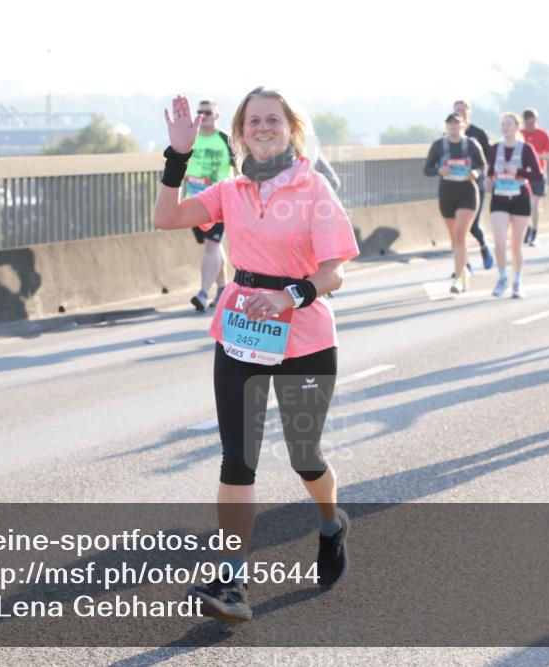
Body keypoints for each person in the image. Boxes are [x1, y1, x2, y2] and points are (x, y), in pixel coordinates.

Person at [153, 87, 359, 623]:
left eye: (273, 119)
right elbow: (167, 217)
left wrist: (290, 296)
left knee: (304, 456)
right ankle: (231, 579)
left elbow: (335, 270)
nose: (263, 128)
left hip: (305, 334)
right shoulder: (232, 190)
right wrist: (178, 154)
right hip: (241, 328)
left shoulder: (314, 189)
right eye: (254, 121)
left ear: (291, 129)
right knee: (237, 457)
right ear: (241, 133)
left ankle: (331, 521)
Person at [423, 113, 487, 293]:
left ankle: (458, 278)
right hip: (447, 193)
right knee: (455, 239)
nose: (453, 127)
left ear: (463, 126)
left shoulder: (471, 145)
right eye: (450, 124)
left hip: (467, 192)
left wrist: (475, 173)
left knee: (460, 235)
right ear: (446, 127)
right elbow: (426, 169)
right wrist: (438, 170)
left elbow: (483, 166)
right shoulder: (439, 146)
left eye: (457, 123)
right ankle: (463, 269)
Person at [185, 100, 236, 311]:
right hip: (194, 200)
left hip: (220, 202)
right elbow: (182, 170)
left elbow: (242, 169)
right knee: (212, 247)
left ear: (216, 115)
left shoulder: (225, 140)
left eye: (208, 112)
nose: (203, 115)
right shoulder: (191, 140)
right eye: (200, 112)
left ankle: (203, 293)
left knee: (211, 245)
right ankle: (223, 289)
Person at [486, 112, 543, 299]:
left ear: (517, 127)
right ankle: (502, 277)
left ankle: (517, 280)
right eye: (502, 124)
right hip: (499, 198)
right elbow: (488, 172)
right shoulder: (494, 149)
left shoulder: (526, 149)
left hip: (520, 198)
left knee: (516, 245)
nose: (505, 127)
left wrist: (518, 172)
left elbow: (537, 175)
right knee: (500, 240)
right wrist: (488, 180)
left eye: (509, 124)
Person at [453, 100, 495, 271]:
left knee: (472, 225)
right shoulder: (449, 136)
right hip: (455, 188)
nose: (460, 113)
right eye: (457, 110)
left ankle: (484, 246)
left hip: (475, 186)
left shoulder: (479, 134)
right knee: (457, 228)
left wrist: (484, 176)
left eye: (463, 110)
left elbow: (488, 160)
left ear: (469, 112)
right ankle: (464, 265)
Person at [520, 108, 549, 247]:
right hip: (523, 175)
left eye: (533, 122)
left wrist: (536, 157)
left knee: (534, 205)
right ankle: (527, 229)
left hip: (538, 175)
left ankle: (534, 232)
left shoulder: (543, 134)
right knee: (525, 206)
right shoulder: (520, 134)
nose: (530, 125)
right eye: (528, 123)